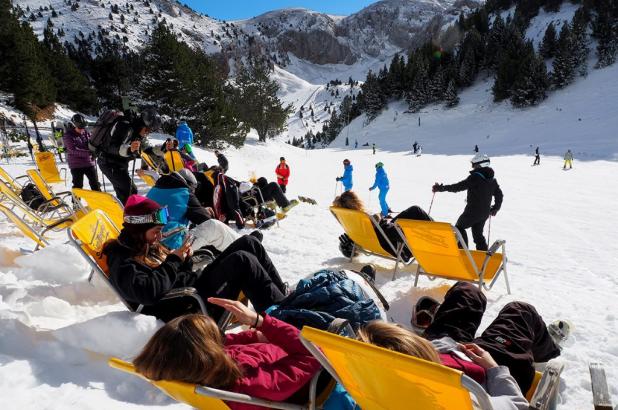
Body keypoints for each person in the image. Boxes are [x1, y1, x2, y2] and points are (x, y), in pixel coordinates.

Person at [361, 283, 567, 408]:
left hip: (444, 350)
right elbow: (516, 406)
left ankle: (435, 326)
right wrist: (494, 369)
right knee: (520, 311)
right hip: (492, 368)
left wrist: (438, 346)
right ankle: (548, 348)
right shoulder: (462, 402)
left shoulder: (369, 387)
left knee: (467, 292)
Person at [103, 195, 287, 322]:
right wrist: (174, 261)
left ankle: (285, 304)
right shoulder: (121, 259)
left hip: (193, 288)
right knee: (242, 260)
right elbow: (148, 292)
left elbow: (171, 274)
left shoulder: (144, 245)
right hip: (188, 304)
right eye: (156, 232)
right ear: (138, 230)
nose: (159, 238)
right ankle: (281, 320)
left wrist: (185, 260)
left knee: (249, 243)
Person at [133, 301, 322, 410]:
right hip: (315, 372)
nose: (222, 340)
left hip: (278, 347)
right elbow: (315, 355)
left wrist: (254, 334)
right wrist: (261, 322)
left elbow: (225, 343)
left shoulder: (203, 370)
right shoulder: (254, 385)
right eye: (215, 336)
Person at [333, 191, 431, 261]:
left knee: (412, 212)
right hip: (398, 247)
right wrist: (379, 218)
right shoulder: (366, 220)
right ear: (357, 202)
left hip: (384, 239)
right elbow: (396, 233)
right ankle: (442, 234)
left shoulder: (353, 225)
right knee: (416, 211)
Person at [432, 154, 503, 251]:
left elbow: (458, 187)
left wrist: (441, 188)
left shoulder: (475, 177)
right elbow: (499, 195)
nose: (472, 167)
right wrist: (495, 208)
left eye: (474, 164)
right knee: (478, 235)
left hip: (472, 212)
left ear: (481, 164)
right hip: (484, 213)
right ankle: (483, 258)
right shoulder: (492, 180)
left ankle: (463, 253)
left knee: (459, 228)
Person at [97, 108, 163, 204]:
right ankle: (128, 216)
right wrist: (129, 149)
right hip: (108, 163)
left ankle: (122, 215)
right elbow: (111, 147)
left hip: (119, 165)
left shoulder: (136, 131)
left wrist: (143, 165)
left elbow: (137, 152)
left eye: (151, 130)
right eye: (148, 129)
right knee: (130, 191)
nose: (148, 132)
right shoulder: (124, 126)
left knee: (125, 193)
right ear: (143, 123)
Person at [62, 114, 101, 191]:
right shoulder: (68, 136)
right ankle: (76, 202)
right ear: (74, 126)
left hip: (89, 163)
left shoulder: (86, 133)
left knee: (95, 183)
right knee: (78, 185)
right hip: (76, 165)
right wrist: (89, 153)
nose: (82, 130)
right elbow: (72, 150)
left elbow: (91, 143)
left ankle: (98, 201)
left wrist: (96, 150)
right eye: (80, 128)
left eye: (83, 128)